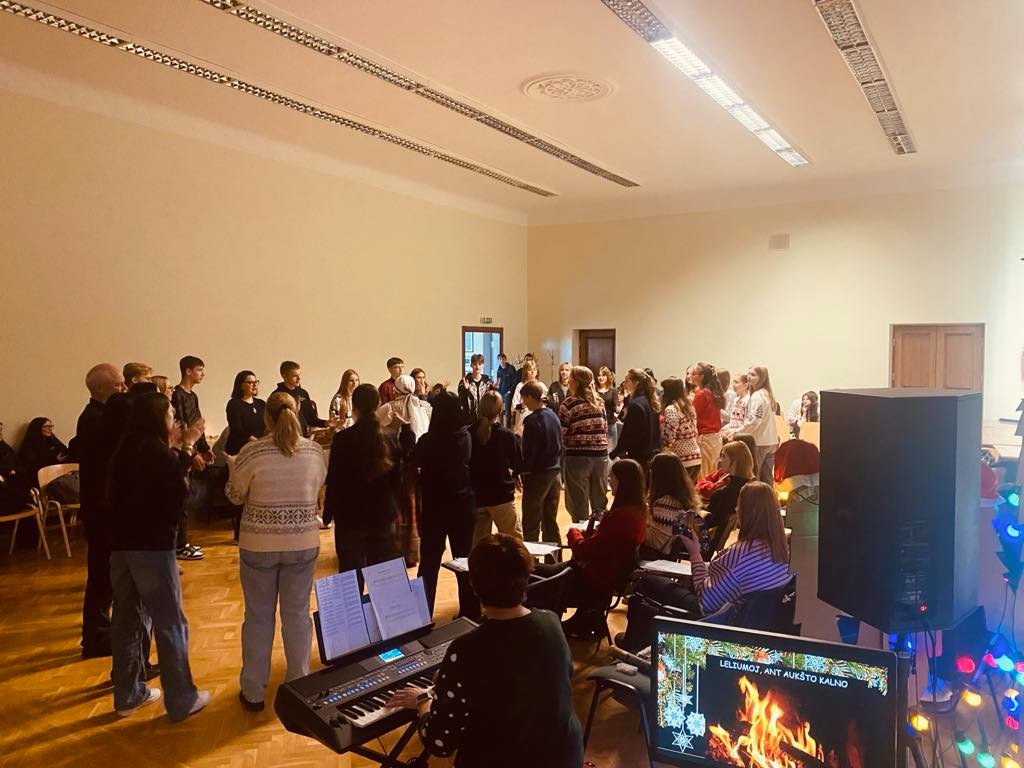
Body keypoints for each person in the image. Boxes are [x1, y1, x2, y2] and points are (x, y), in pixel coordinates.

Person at [386, 534, 584, 768]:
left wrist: (423, 702)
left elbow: (439, 743)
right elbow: (527, 680)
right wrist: (456, 682)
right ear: (526, 576)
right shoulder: (550, 622)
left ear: (473, 584)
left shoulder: (466, 650)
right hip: (564, 757)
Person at [107, 391, 210, 720]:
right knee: (170, 622)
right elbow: (180, 496)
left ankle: (128, 695)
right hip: (151, 547)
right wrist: (188, 447)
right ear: (157, 418)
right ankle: (181, 699)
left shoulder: (125, 449)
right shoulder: (155, 452)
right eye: (170, 414)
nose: (174, 420)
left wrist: (178, 449)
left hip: (120, 546)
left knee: (127, 620)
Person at [225, 392, 326, 712]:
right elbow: (317, 489)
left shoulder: (252, 452)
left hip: (258, 546)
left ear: (266, 417)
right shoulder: (314, 452)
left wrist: (232, 468)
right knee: (297, 615)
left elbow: (234, 495)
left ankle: (253, 690)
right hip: (303, 543)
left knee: (257, 617)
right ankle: (299, 683)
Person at [619, 481, 790, 651]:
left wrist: (694, 554)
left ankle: (634, 647)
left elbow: (707, 602)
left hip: (714, 622)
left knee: (646, 583)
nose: (736, 509)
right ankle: (639, 646)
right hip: (747, 627)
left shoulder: (742, 553)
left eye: (739, 505)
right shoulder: (781, 551)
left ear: (748, 512)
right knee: (654, 590)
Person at [531, 459, 646, 636]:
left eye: (613, 478)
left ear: (622, 482)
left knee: (531, 573)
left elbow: (584, 552)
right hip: (599, 576)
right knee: (535, 570)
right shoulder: (638, 513)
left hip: (588, 579)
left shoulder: (620, 517)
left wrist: (573, 533)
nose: (610, 482)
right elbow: (604, 544)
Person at [70, 362, 126, 658]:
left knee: (104, 575)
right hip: (101, 509)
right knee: (102, 576)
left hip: (102, 507)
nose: (124, 389)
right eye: (118, 385)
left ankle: (100, 633)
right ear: (102, 388)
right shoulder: (94, 419)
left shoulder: (100, 417)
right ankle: (96, 637)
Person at [323, 384, 400, 577]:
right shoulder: (390, 437)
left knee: (351, 580)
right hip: (382, 514)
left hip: (350, 517)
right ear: (378, 404)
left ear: (354, 407)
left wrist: (327, 513)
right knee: (382, 579)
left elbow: (334, 480)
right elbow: (396, 479)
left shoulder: (342, 439)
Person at [415, 391, 478, 619]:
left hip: (435, 509)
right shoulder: (466, 437)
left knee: (429, 564)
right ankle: (470, 612)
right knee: (464, 561)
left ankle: (422, 615)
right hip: (462, 507)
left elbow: (414, 460)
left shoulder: (427, 441)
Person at [377, 374, 432, 564]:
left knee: (399, 509)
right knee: (415, 507)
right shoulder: (425, 406)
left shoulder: (388, 408)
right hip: (418, 464)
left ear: (396, 389)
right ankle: (415, 551)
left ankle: (398, 550)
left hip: (395, 464)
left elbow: (379, 430)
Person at [171, 355, 212, 562]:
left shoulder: (193, 396)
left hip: (192, 448)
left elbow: (197, 425)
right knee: (181, 497)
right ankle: (179, 544)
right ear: (188, 371)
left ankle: (183, 541)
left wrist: (204, 448)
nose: (202, 374)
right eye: (199, 370)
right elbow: (183, 427)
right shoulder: (177, 395)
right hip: (183, 451)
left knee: (186, 497)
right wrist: (192, 453)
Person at [470, 391, 523, 545]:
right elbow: (517, 463)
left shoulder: (468, 434)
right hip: (501, 495)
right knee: (514, 543)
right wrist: (515, 475)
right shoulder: (506, 435)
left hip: (476, 496)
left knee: (478, 546)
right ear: (501, 410)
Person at [559, 366, 609, 524]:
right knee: (599, 502)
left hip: (577, 457)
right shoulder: (599, 402)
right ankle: (600, 533)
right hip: (601, 456)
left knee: (578, 502)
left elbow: (562, 433)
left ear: (575, 382)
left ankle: (582, 534)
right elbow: (605, 428)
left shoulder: (568, 404)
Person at [519, 381, 562, 544]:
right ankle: (554, 557)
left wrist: (523, 471)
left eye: (524, 398)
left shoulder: (531, 420)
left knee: (531, 520)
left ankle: (531, 557)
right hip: (555, 471)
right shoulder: (553, 415)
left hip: (538, 474)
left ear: (530, 397)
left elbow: (530, 452)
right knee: (550, 519)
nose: (524, 402)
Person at [642, 451, 702, 560]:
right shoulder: (680, 500)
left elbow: (656, 543)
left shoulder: (666, 504)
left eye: (652, 470)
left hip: (655, 557)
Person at [726, 365, 779, 483]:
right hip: (771, 441)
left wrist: (736, 431)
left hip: (760, 442)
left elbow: (753, 421)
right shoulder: (767, 394)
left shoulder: (757, 396)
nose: (749, 377)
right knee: (767, 477)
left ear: (762, 378)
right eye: (748, 374)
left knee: (755, 475)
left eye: (753, 375)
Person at [703, 441, 756, 553]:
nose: (720, 460)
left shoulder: (728, 493)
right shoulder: (747, 487)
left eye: (723, 456)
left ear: (735, 461)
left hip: (704, 542)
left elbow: (710, 522)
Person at [609, 368, 661, 465]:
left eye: (627, 380)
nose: (624, 384)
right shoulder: (650, 400)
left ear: (636, 383)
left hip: (639, 454)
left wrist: (616, 452)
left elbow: (629, 432)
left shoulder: (636, 404)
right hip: (652, 452)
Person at [659, 377, 701, 481]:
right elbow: (695, 431)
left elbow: (669, 437)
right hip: (695, 456)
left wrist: (662, 448)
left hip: (681, 458)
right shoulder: (689, 407)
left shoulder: (671, 409)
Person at [690, 362, 725, 478]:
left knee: (702, 476)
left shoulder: (702, 394)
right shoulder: (714, 392)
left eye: (694, 374)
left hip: (705, 439)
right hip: (715, 438)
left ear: (702, 376)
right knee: (711, 475)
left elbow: (692, 416)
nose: (691, 376)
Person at [275, 361, 329, 438]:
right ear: (284, 376)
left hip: (303, 436)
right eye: (295, 376)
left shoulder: (303, 393)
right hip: (286, 437)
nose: (299, 378)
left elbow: (311, 418)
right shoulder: (277, 396)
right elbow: (276, 422)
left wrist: (326, 423)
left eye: (299, 375)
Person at [18, 416, 70, 486]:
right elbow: (32, 467)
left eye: (51, 426)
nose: (50, 429)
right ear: (38, 428)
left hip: (57, 474)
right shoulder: (29, 445)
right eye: (47, 426)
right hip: (39, 479)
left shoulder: (52, 440)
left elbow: (63, 449)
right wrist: (55, 460)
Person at [225, 371, 266, 455]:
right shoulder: (234, 404)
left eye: (255, 382)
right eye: (250, 382)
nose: (254, 385)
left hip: (259, 448)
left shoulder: (261, 403)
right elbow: (237, 429)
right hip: (239, 449)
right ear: (240, 385)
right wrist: (256, 443)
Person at [510, 359, 546, 436]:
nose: (532, 372)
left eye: (534, 369)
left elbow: (547, 402)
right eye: (530, 370)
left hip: (538, 418)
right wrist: (525, 404)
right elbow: (514, 406)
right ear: (525, 372)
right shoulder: (520, 386)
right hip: (523, 418)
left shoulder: (541, 385)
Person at [458, 353, 495, 422]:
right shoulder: (464, 382)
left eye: (480, 364)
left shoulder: (488, 382)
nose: (477, 367)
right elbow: (461, 402)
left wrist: (495, 389)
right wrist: (465, 390)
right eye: (475, 364)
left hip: (484, 420)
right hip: (469, 420)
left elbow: (493, 402)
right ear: (471, 365)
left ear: (483, 365)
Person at [596, 366, 621, 453]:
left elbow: (617, 406)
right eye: (599, 375)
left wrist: (618, 407)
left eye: (603, 375)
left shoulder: (613, 391)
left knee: (612, 448)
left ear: (607, 377)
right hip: (598, 423)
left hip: (610, 422)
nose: (601, 377)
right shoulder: (594, 391)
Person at [494, 353, 518, 427]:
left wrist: (510, 391)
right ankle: (500, 427)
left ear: (505, 359)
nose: (501, 361)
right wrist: (495, 385)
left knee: (507, 412)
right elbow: (498, 381)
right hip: (500, 392)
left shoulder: (511, 368)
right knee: (499, 411)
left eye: (503, 359)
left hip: (508, 393)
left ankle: (508, 428)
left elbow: (515, 381)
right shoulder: (499, 369)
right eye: (500, 359)